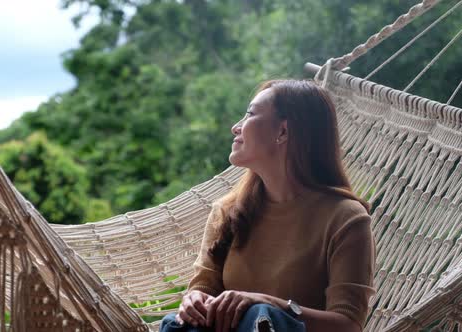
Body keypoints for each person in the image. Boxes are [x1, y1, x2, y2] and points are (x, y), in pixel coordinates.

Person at [160, 79, 375, 332]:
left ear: (282, 132)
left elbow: (348, 325)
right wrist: (193, 301)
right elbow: (203, 287)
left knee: (261, 315)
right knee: (177, 325)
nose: (235, 127)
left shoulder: (346, 219)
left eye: (250, 114)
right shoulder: (228, 211)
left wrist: (271, 304)